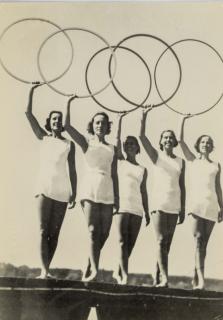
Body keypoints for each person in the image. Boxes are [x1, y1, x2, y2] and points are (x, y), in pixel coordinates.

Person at [65, 97, 119, 282]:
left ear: (107, 126)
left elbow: (115, 174)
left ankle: (88, 267)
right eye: (97, 122)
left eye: (103, 123)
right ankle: (95, 271)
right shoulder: (86, 142)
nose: (100, 125)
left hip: (107, 190)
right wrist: (68, 102)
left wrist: (117, 197)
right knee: (93, 230)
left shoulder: (112, 148)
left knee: (104, 234)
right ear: (92, 125)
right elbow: (67, 126)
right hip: (89, 189)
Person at [25, 84, 77, 279]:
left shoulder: (69, 144)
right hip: (44, 187)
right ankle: (43, 270)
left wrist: (74, 192)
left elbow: (72, 169)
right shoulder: (43, 137)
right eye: (54, 119)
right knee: (42, 230)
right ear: (50, 122)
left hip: (62, 190)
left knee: (54, 233)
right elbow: (28, 113)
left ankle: (48, 268)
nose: (57, 121)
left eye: (60, 119)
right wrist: (32, 90)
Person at [139, 106, 185, 288]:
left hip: (174, 204)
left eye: (170, 138)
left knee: (167, 244)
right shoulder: (156, 157)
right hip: (158, 203)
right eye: (165, 137)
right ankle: (165, 278)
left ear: (174, 142)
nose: (168, 140)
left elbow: (183, 186)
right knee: (160, 241)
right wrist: (144, 116)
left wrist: (183, 208)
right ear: (161, 141)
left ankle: (157, 276)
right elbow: (142, 138)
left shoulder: (181, 161)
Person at [179, 115, 223, 290]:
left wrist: (222, 206)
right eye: (203, 142)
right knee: (198, 240)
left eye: (209, 142)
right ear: (198, 145)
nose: (206, 144)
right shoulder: (192, 160)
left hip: (211, 205)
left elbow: (218, 187)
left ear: (211, 146)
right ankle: (201, 279)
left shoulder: (216, 165)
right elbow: (181, 141)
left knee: (204, 243)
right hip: (196, 205)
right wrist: (183, 120)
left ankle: (196, 277)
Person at [113, 113, 150, 285]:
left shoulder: (143, 169)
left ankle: (118, 271)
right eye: (127, 144)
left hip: (137, 208)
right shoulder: (120, 161)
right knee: (121, 242)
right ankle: (124, 276)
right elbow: (116, 140)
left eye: (132, 144)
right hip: (122, 206)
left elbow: (144, 192)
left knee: (130, 244)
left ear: (137, 148)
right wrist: (120, 119)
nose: (129, 146)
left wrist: (147, 212)